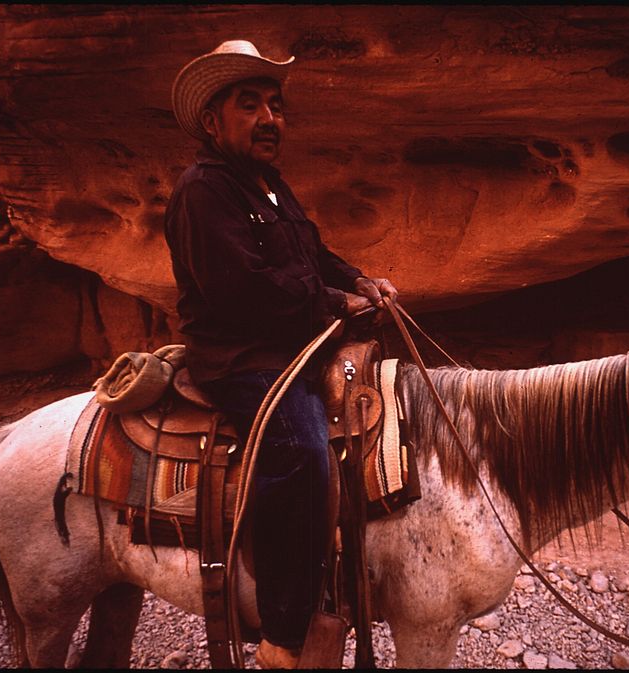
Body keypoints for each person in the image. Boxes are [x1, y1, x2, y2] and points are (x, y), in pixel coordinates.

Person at [165, 40, 397, 668]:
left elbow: (314, 256)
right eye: (251, 105)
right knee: (302, 450)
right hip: (240, 356)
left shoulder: (270, 186)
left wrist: (357, 280)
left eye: (276, 105)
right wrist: (332, 304)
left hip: (294, 343)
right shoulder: (203, 192)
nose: (270, 119)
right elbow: (243, 293)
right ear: (214, 121)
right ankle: (283, 636)